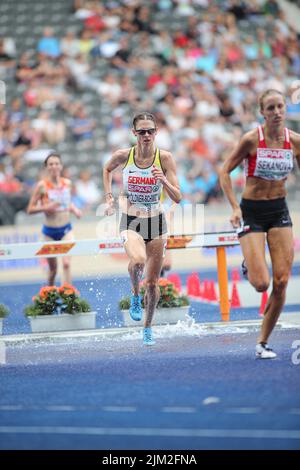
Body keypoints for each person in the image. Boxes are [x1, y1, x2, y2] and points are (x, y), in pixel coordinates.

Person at [220, 89, 300, 359]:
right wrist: (233, 207)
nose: (276, 112)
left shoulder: (295, 142)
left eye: (280, 106)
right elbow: (224, 171)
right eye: (270, 108)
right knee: (262, 284)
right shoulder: (251, 139)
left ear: (285, 109)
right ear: (262, 112)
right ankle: (249, 264)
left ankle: (262, 342)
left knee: (281, 281)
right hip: (251, 212)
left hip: (279, 211)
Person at [103, 112, 182, 345]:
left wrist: (164, 181)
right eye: (141, 131)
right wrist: (109, 197)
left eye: (150, 131)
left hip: (156, 222)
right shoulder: (124, 156)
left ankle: (147, 327)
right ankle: (135, 297)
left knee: (153, 282)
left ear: (156, 133)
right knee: (137, 261)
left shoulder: (165, 158)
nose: (146, 135)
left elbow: (177, 197)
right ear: (134, 133)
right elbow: (107, 169)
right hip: (131, 219)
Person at [27, 152, 82, 285]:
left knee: (67, 264)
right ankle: (49, 298)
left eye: (56, 163)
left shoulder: (67, 183)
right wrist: (46, 208)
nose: (54, 166)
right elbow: (30, 209)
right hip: (49, 232)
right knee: (53, 270)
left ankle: (69, 297)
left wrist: (74, 209)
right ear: (47, 167)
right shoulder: (42, 186)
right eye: (51, 164)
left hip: (66, 230)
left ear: (61, 166)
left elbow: (66, 202)